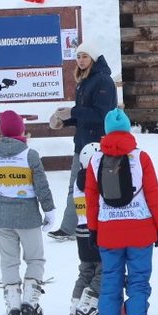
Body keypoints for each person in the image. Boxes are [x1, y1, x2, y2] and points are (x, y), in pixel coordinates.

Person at [87, 108, 158, 315]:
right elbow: (153, 195)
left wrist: (93, 230)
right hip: (140, 229)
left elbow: (91, 200)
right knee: (139, 280)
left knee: (110, 282)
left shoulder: (95, 159)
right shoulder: (141, 157)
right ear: (128, 128)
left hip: (108, 231)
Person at [0, 110, 55, 315]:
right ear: (21, 129)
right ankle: (30, 301)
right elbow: (41, 185)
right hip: (28, 217)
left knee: (9, 261)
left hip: (2, 217)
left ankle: (13, 303)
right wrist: (49, 209)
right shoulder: (29, 155)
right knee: (35, 258)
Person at [51, 43, 118, 239]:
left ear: (94, 58)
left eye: (85, 56)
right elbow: (84, 114)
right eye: (78, 56)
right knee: (76, 186)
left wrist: (72, 112)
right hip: (81, 144)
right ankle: (69, 227)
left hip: (98, 145)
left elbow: (101, 114)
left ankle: (104, 223)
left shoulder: (103, 81)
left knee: (102, 187)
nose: (80, 60)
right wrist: (64, 120)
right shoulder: (84, 81)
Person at [66, 142, 103, 315]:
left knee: (85, 271)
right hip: (96, 233)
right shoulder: (95, 182)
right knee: (102, 272)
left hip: (81, 235)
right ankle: (88, 304)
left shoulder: (77, 182)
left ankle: (75, 306)